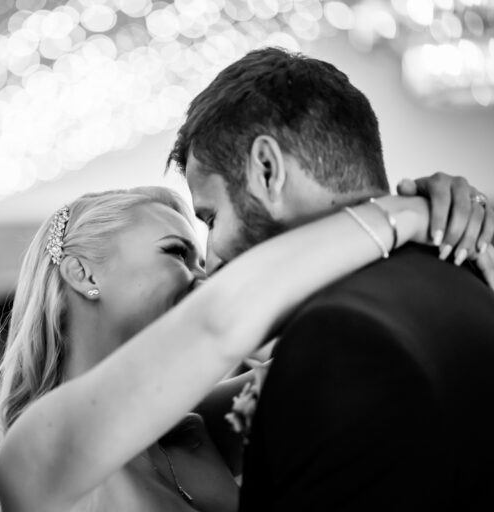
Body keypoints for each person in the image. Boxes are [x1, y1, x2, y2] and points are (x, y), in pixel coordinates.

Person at [0, 180, 491, 512]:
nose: (203, 280)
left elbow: (350, 358)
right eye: (177, 252)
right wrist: (403, 215)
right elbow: (221, 322)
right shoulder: (36, 448)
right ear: (82, 271)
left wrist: (459, 238)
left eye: (203, 264)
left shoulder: (189, 428)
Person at [168, 47, 494, 510]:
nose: (211, 257)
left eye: (211, 217)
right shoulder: (464, 274)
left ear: (267, 170)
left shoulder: (336, 339)